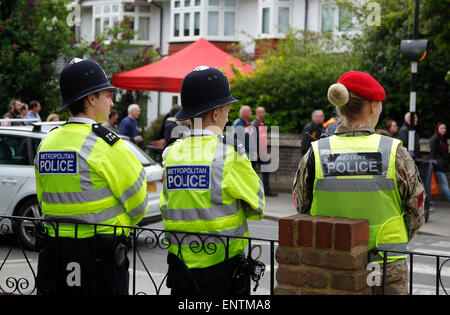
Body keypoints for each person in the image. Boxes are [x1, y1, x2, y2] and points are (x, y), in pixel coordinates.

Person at [293, 71, 425, 295]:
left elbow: (301, 207)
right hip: (385, 266)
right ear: (373, 106)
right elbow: (416, 212)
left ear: (339, 108)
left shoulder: (315, 154)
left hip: (331, 265)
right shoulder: (395, 153)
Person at [34, 58, 149, 295]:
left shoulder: (48, 142)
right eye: (107, 94)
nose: (111, 100)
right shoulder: (107, 145)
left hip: (54, 253)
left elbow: (43, 197)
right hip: (100, 257)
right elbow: (139, 205)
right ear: (91, 98)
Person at [160, 66, 265, 295]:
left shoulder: (171, 153)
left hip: (180, 266)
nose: (228, 116)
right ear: (216, 113)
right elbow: (257, 205)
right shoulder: (229, 153)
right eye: (227, 110)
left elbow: (169, 205)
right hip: (223, 267)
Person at [251, 106, 278, 197]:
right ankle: (252, 190)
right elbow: (253, 139)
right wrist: (255, 152)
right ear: (258, 113)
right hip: (257, 153)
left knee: (266, 171)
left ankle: (266, 190)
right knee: (252, 172)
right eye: (263, 112)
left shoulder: (262, 124)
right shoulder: (254, 124)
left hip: (263, 153)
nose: (264, 113)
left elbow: (262, 139)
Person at [429, 122, 450, 201]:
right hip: (438, 166)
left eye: (445, 128)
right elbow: (433, 154)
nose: (444, 130)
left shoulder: (443, 139)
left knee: (434, 185)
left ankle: (428, 201)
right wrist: (435, 164)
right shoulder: (434, 139)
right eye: (441, 128)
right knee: (444, 184)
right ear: (437, 129)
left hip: (442, 166)